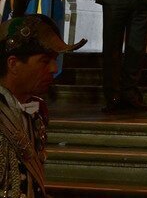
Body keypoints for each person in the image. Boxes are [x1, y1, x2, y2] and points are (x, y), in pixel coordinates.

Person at [0, 14, 84, 197]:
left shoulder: (35, 110)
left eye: (54, 60)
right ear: (13, 64)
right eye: (45, 61)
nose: (54, 69)